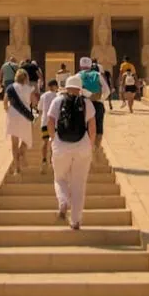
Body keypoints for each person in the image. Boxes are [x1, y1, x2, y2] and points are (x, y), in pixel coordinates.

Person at [44, 75, 100, 229]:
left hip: (61, 146)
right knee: (78, 184)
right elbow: (92, 127)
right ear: (80, 88)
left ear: (66, 87)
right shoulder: (86, 103)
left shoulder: (57, 101)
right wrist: (90, 145)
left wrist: (53, 139)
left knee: (59, 178)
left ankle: (63, 201)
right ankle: (75, 220)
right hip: (82, 146)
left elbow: (50, 122)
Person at [4, 71, 38, 173]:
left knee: (14, 143)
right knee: (26, 138)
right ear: (26, 78)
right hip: (25, 116)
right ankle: (22, 151)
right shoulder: (29, 89)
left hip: (13, 115)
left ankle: (17, 167)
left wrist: (8, 111)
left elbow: (5, 102)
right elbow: (34, 102)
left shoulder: (10, 88)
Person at [37, 79, 60, 169]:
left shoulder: (43, 96)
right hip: (54, 123)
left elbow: (39, 109)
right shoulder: (57, 96)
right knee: (54, 141)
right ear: (55, 86)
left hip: (45, 122)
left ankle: (44, 160)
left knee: (45, 141)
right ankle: (52, 159)